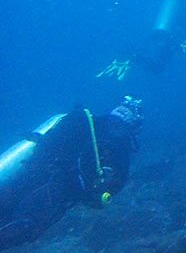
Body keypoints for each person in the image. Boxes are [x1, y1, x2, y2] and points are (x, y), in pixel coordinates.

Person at [0, 96, 143, 250]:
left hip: (43, 183)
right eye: (115, 123)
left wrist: (102, 184)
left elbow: (106, 193)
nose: (116, 127)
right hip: (46, 184)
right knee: (23, 224)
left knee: (19, 222)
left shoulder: (115, 150)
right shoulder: (88, 125)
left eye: (120, 125)